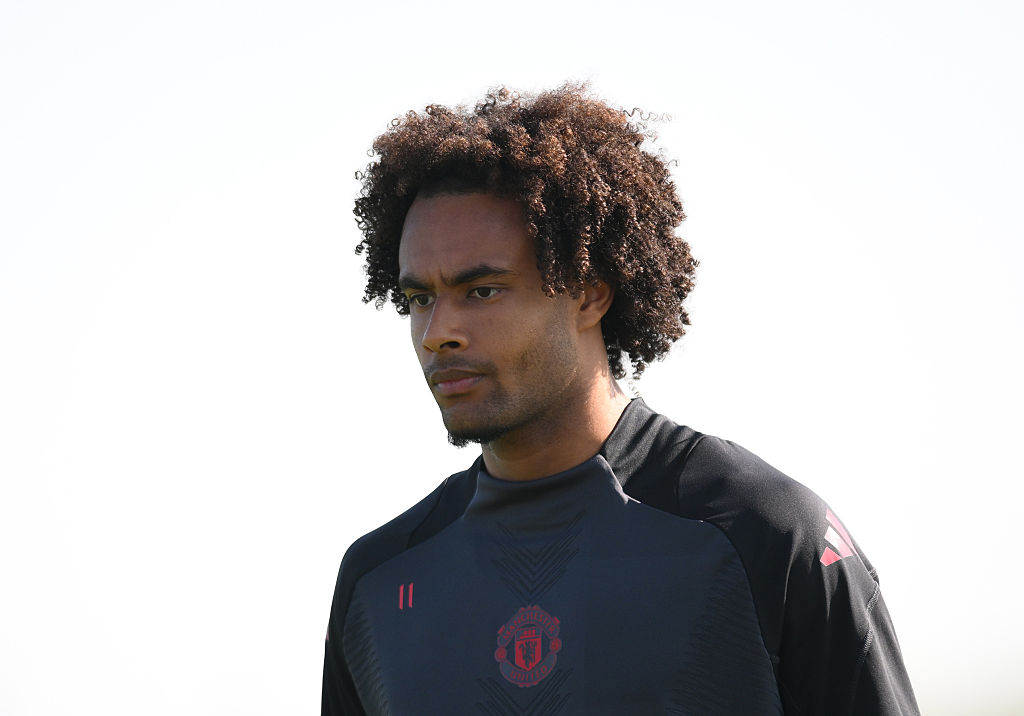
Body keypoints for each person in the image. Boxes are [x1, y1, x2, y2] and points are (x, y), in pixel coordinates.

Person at [322, 84, 919, 715]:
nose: (437, 332)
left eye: (483, 291)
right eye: (419, 299)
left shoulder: (765, 535)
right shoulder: (377, 579)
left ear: (589, 294)